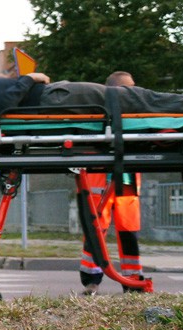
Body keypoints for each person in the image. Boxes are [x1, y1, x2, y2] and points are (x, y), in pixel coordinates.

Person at [80, 72, 144, 295]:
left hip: (123, 176)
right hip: (101, 177)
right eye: (130, 87)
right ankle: (91, 280)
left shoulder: (132, 109)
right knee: (97, 230)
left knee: (128, 230)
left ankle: (132, 279)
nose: (135, 90)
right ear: (117, 89)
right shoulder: (100, 109)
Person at [0, 71, 183, 116]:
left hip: (57, 95)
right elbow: (4, 106)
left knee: (139, 99)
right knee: (138, 98)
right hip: (56, 96)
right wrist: (28, 78)